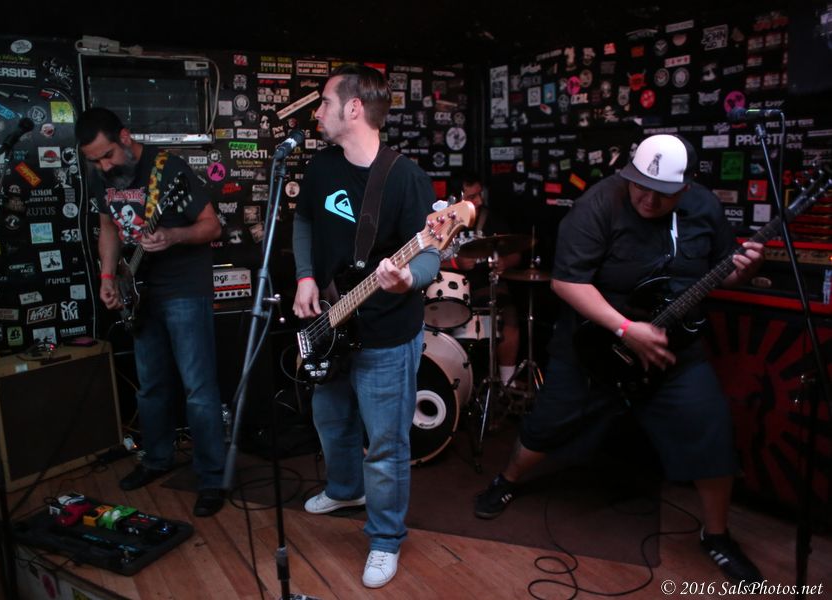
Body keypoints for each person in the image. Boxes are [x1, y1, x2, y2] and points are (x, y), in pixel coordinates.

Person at [474, 134, 765, 584]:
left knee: (711, 427)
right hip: (594, 344)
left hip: (671, 347)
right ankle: (507, 480)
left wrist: (745, 270)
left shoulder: (704, 208)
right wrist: (626, 329)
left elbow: (721, 271)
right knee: (547, 424)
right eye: (640, 186)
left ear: (685, 188)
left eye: (662, 193)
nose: (648, 199)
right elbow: (566, 282)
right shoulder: (597, 204)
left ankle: (717, 535)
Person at [292, 64, 439, 588]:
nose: (318, 112)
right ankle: (345, 489)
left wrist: (406, 281)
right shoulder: (321, 168)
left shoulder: (406, 177)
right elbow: (304, 220)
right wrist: (305, 276)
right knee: (331, 421)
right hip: (332, 320)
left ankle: (385, 538)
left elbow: (431, 252)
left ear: (353, 108)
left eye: (324, 102)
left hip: (387, 333)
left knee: (386, 445)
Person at [76, 107, 226, 518]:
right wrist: (109, 276)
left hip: (184, 289)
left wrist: (174, 235)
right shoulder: (102, 174)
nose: (104, 166)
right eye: (95, 161)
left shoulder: (170, 170)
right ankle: (157, 458)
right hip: (139, 291)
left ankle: (212, 478)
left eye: (107, 155)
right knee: (150, 385)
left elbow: (212, 226)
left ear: (125, 137)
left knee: (198, 388)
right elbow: (108, 226)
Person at [443, 173, 521, 386]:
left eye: (480, 195)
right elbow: (424, 259)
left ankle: (507, 382)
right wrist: (455, 264)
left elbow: (516, 252)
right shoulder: (441, 221)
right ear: (456, 199)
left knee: (510, 314)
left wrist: (504, 262)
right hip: (449, 291)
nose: (479, 201)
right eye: (472, 197)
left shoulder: (492, 220)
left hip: (485, 288)